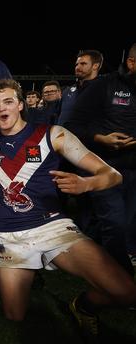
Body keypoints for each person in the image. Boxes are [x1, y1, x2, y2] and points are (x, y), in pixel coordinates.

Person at [0, 79, 136, 343]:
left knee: (126, 292)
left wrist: (87, 183)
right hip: (10, 236)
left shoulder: (53, 134)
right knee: (14, 315)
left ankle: (84, 305)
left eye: (8, 101)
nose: (1, 109)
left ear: (20, 105)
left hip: (52, 227)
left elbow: (112, 175)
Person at [64, 43, 136, 274]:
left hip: (134, 169)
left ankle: (88, 254)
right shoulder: (103, 85)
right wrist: (100, 139)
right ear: (131, 62)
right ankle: (122, 279)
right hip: (103, 167)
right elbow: (71, 126)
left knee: (127, 225)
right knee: (115, 222)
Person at [58, 50, 103, 125]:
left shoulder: (105, 89)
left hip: (90, 136)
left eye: (83, 64)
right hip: (63, 135)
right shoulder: (67, 91)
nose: (77, 67)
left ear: (95, 66)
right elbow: (59, 114)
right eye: (76, 64)